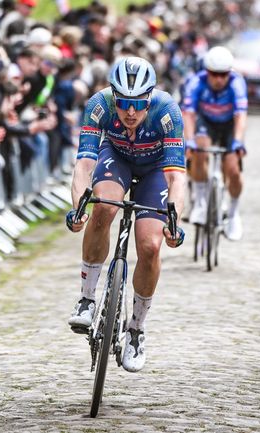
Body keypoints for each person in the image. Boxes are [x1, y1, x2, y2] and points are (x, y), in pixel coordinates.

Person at [65, 57, 186, 373]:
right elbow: (84, 165)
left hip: (156, 171)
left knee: (150, 247)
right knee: (103, 206)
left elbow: (177, 177)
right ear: (113, 96)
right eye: (123, 103)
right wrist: (79, 207)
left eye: (137, 104)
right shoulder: (99, 105)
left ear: (149, 98)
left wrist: (175, 221)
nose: (130, 112)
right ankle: (87, 299)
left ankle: (135, 329)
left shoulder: (167, 111)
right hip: (116, 158)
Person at [181, 46, 248, 241]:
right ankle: (201, 202)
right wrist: (190, 141)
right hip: (206, 123)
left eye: (223, 75)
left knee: (233, 169)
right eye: (214, 74)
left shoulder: (237, 83)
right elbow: (189, 114)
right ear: (206, 71)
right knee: (199, 149)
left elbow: (241, 115)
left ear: (230, 73)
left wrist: (237, 142)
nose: (219, 79)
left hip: (228, 126)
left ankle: (234, 213)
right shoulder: (197, 82)